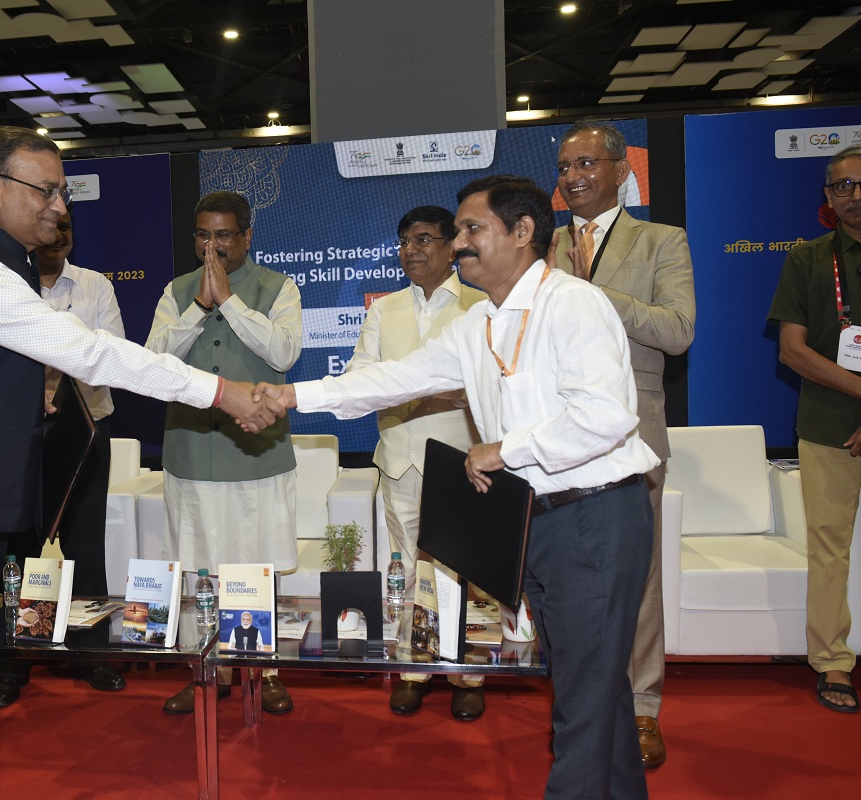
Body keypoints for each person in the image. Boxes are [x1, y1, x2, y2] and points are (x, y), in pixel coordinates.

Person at [0, 125, 274, 800]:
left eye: (62, 191)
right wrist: (222, 391)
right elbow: (91, 351)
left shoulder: (3, 266)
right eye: (45, 190)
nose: (59, 206)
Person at [257, 175, 658, 800]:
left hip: (594, 518)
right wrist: (290, 396)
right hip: (536, 521)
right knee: (594, 688)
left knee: (582, 701)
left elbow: (606, 417)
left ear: (522, 231)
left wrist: (504, 450)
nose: (460, 243)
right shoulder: (480, 324)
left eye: (473, 229)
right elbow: (392, 379)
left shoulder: (572, 303)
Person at [551, 119, 696, 766]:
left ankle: (642, 706)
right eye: (564, 167)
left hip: (633, 432)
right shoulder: (542, 243)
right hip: (556, 436)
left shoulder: (662, 240)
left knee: (639, 576)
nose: (573, 177)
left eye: (586, 164)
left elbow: (678, 331)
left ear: (619, 171)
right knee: (564, 575)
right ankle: (580, 705)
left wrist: (594, 294)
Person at [145, 190, 302, 716]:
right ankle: (206, 670)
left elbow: (283, 352)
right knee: (198, 570)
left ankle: (263, 670)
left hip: (257, 454)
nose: (211, 247)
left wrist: (231, 301)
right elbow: (152, 361)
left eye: (224, 236)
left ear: (247, 236)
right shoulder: (177, 292)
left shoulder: (279, 287)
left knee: (256, 565)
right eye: (203, 235)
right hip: (191, 452)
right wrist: (200, 306)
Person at [347, 205, 488, 721]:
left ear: (452, 246)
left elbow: (488, 382)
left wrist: (419, 389)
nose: (412, 250)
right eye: (405, 241)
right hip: (399, 459)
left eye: (424, 239)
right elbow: (361, 379)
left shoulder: (480, 304)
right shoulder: (384, 310)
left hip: (461, 461)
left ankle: (467, 674)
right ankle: (415, 669)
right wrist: (412, 390)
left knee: (460, 570)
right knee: (406, 570)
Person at [0, 207, 129, 707]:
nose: (57, 236)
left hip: (85, 430)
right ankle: (17, 661)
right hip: (18, 435)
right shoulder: (6, 285)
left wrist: (53, 363)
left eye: (66, 228)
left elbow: (112, 353)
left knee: (86, 547)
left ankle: (91, 655)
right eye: (50, 226)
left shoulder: (95, 287)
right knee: (19, 551)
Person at [768, 143, 861, 715]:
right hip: (827, 425)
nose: (857, 194)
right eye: (843, 186)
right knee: (828, 549)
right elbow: (793, 351)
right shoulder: (808, 260)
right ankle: (833, 661)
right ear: (828, 198)